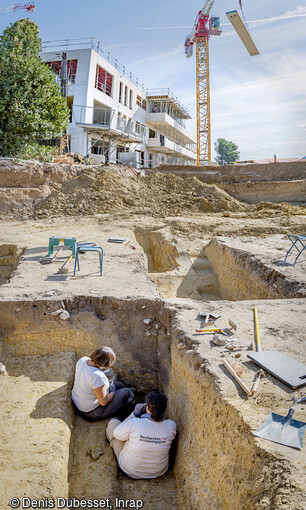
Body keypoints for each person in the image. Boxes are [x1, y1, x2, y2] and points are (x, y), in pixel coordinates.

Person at [106, 391, 176, 479]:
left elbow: (116, 434)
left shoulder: (135, 423)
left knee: (113, 423)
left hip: (130, 469)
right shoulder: (171, 426)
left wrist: (134, 415)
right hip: (158, 471)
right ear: (164, 409)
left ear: (147, 407)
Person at [71, 346, 135, 422]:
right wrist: (113, 392)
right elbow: (103, 402)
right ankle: (123, 419)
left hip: (78, 402)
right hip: (90, 412)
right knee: (128, 393)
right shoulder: (97, 376)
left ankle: (120, 409)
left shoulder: (82, 360)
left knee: (119, 385)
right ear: (105, 364)